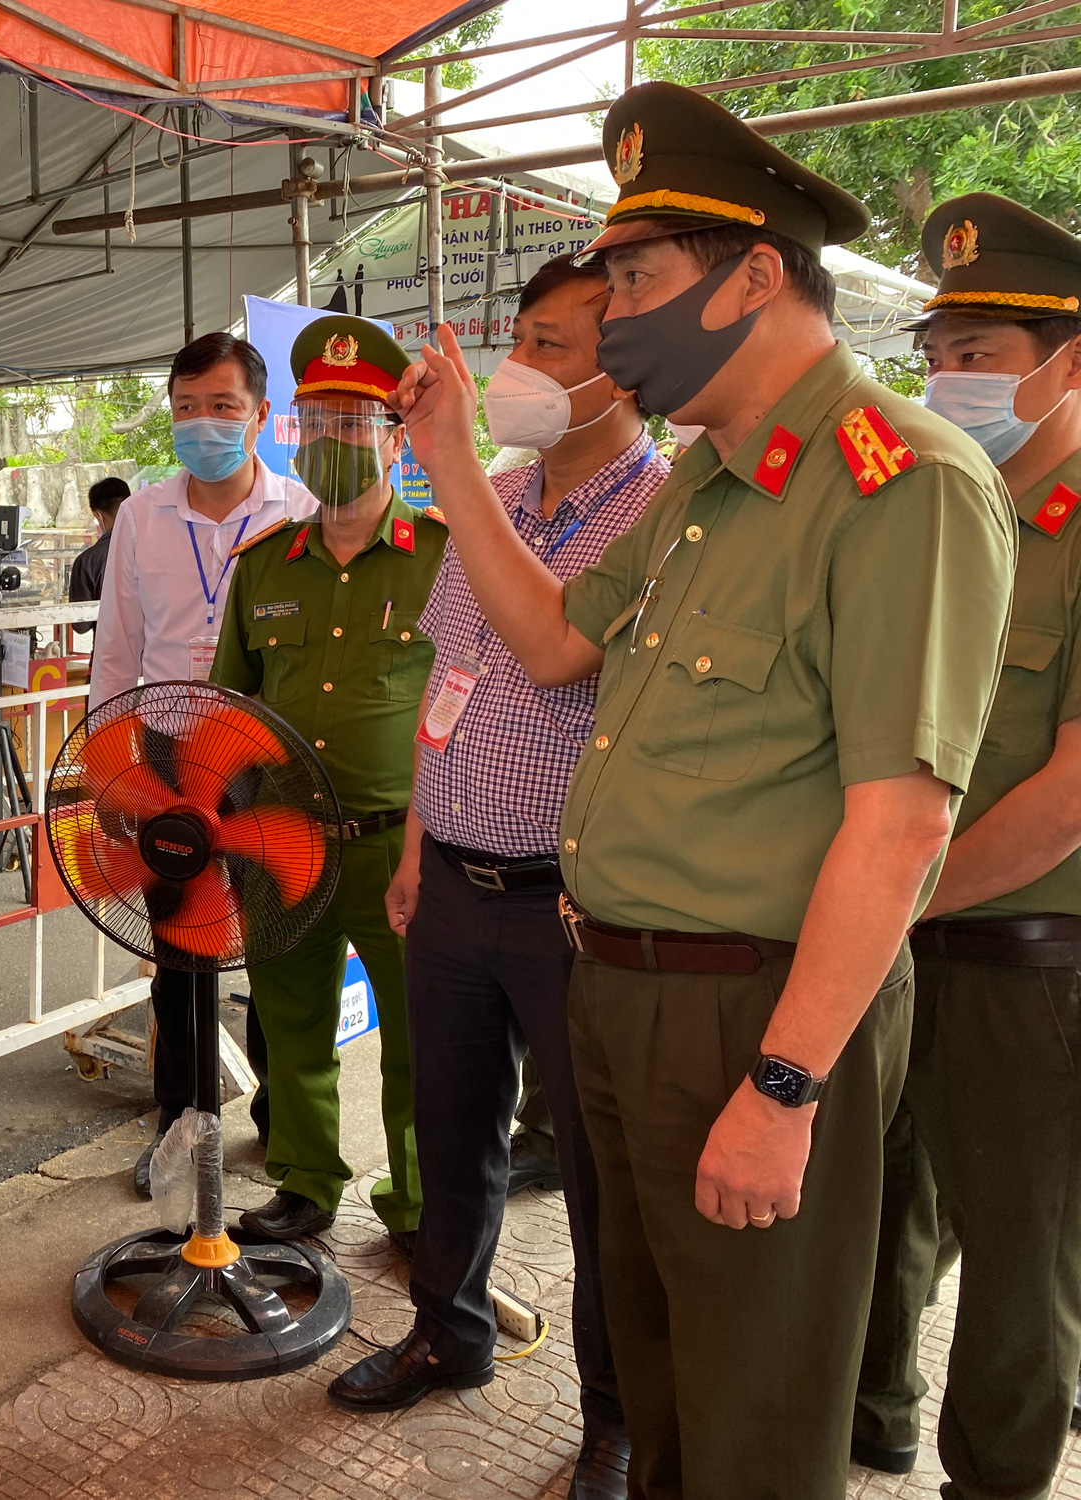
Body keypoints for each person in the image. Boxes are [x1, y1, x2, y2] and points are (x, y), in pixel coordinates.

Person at [391, 82, 1014, 1497]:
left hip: (757, 1007)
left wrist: (786, 1086)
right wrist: (446, 464)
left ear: (754, 277)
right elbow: (550, 642)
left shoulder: (899, 480)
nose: (613, 320)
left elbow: (903, 822)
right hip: (617, 988)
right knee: (667, 1391)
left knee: (755, 1409)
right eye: (608, 283)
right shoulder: (705, 484)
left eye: (637, 280)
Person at [329, 257, 666, 1500]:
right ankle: (445, 1329)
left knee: (596, 1174)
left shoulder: (661, 510)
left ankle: (614, 1417)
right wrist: (418, 850)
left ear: (627, 368)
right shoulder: (502, 493)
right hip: (458, 886)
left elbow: (557, 657)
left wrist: (454, 465)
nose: (523, 368)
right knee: (449, 1127)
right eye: (521, 337)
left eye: (556, 346)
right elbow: (448, 685)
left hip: (576, 903)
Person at [850, 194, 1081, 1490]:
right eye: (936, 356)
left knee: (1022, 1263)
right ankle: (874, 1412)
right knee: (890, 1211)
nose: (948, 380)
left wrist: (903, 896)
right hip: (907, 940)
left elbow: (1066, 795)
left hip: (1031, 967)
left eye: (980, 356)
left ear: (1071, 360)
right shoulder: (943, 514)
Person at [210, 314, 445, 1250]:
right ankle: (305, 1182)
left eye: (356, 423)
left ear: (395, 437)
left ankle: (422, 1203)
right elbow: (227, 711)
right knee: (290, 1021)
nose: (333, 442)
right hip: (282, 839)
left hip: (404, 845)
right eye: (317, 424)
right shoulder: (263, 566)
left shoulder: (443, 556)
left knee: (421, 1040)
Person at [88, 332, 315, 1195]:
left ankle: (281, 1124)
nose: (203, 425)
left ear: (261, 415)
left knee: (276, 946)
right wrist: (106, 769)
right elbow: (118, 650)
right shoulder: (144, 515)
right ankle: (179, 1120)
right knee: (179, 950)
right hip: (166, 758)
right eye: (187, 409)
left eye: (222, 408)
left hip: (267, 758)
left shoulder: (297, 511)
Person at [67, 476, 127, 633]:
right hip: (154, 654)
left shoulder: (87, 561)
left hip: (109, 653)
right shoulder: (155, 548)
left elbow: (81, 625)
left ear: (98, 516)